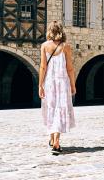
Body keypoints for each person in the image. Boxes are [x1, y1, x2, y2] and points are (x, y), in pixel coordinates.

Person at [39, 21, 76, 155]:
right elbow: (70, 68)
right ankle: (56, 141)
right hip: (62, 83)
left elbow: (43, 67)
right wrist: (73, 85)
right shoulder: (66, 47)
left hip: (49, 82)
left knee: (51, 109)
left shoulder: (44, 46)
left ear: (49, 30)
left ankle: (52, 138)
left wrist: (40, 85)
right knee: (60, 109)